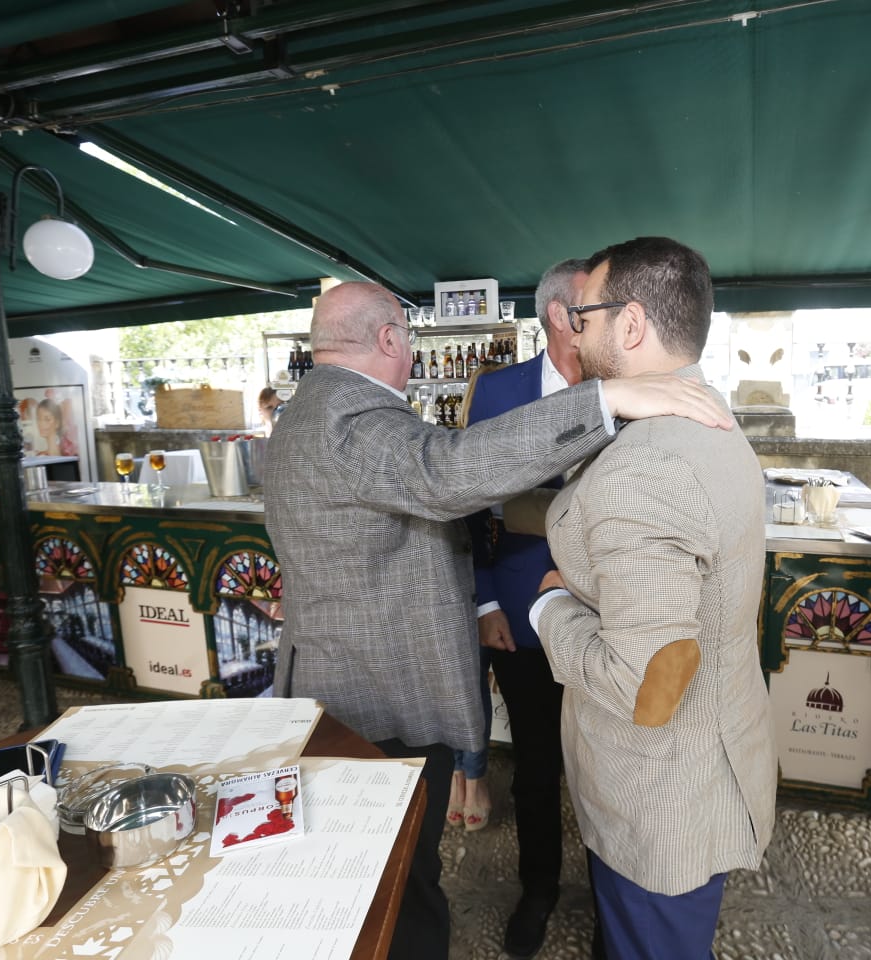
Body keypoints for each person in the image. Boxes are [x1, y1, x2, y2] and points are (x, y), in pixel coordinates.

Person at [262, 280, 733, 960]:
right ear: (392, 340)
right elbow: (444, 472)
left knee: (385, 871)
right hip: (376, 697)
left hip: (346, 676)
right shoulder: (351, 418)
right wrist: (605, 400)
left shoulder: (312, 407)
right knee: (396, 887)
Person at [529, 238, 777, 960]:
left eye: (583, 316)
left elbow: (648, 685)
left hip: (664, 794)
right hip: (710, 756)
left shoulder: (647, 468)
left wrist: (551, 608)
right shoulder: (704, 415)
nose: (573, 331)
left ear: (629, 325)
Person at [464, 259, 589, 957]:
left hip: (609, 615)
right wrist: (485, 600)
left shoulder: (629, 387)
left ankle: (614, 894)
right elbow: (472, 507)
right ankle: (537, 889)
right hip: (519, 611)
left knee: (611, 770)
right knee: (537, 767)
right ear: (560, 316)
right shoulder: (500, 392)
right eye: (595, 306)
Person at [446, 359, 505, 835]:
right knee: (463, 690)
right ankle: (464, 777)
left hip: (508, 588)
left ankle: (473, 777)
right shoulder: (458, 456)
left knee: (473, 689)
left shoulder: (521, 453)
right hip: (465, 590)